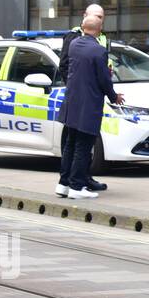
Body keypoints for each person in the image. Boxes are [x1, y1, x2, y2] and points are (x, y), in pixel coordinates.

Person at [55, 15, 123, 199]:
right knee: (83, 146)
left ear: (83, 27)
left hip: (71, 103)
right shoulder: (98, 51)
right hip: (88, 105)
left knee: (70, 144)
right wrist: (114, 96)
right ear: (99, 29)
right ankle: (76, 187)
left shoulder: (74, 45)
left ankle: (63, 184)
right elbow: (103, 80)